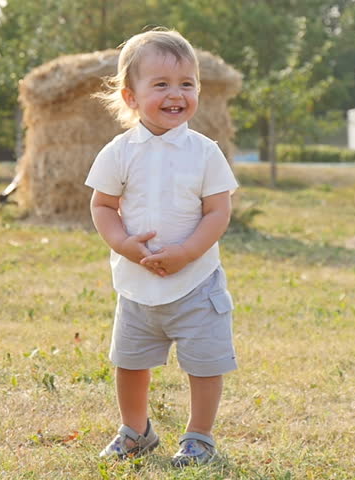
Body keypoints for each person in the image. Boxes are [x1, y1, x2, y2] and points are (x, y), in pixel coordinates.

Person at [85, 29, 238, 467]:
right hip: (137, 285)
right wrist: (123, 244)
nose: (176, 94)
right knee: (130, 363)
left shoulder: (204, 152)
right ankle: (136, 431)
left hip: (197, 284)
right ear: (130, 96)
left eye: (187, 84)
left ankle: (199, 437)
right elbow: (103, 205)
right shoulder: (119, 152)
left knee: (205, 363)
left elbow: (218, 212)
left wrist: (187, 252)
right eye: (161, 84)